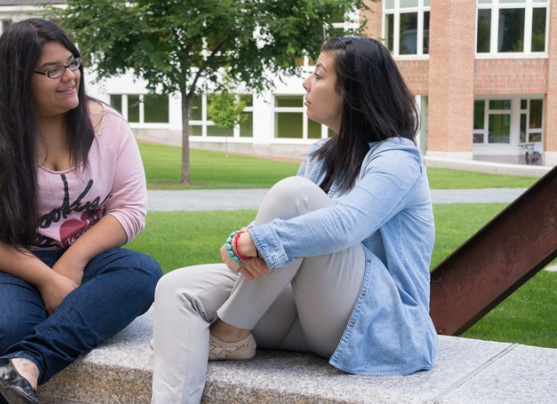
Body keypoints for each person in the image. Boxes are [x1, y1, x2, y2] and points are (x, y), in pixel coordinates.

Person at [151, 36, 438, 403]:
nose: (305, 84)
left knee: (294, 195)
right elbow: (280, 235)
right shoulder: (320, 157)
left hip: (377, 326)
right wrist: (242, 243)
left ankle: (229, 333)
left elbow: (346, 224)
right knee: (175, 288)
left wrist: (258, 241)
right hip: (308, 314)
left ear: (351, 91)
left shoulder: (398, 159)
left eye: (317, 76)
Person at [0, 18, 162, 404]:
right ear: (18, 79)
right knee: (7, 327)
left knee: (141, 273)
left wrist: (72, 263)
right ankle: (22, 348)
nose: (70, 77)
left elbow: (129, 209)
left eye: (73, 63)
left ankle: (29, 362)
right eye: (52, 70)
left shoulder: (107, 127)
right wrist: (46, 280)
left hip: (82, 259)